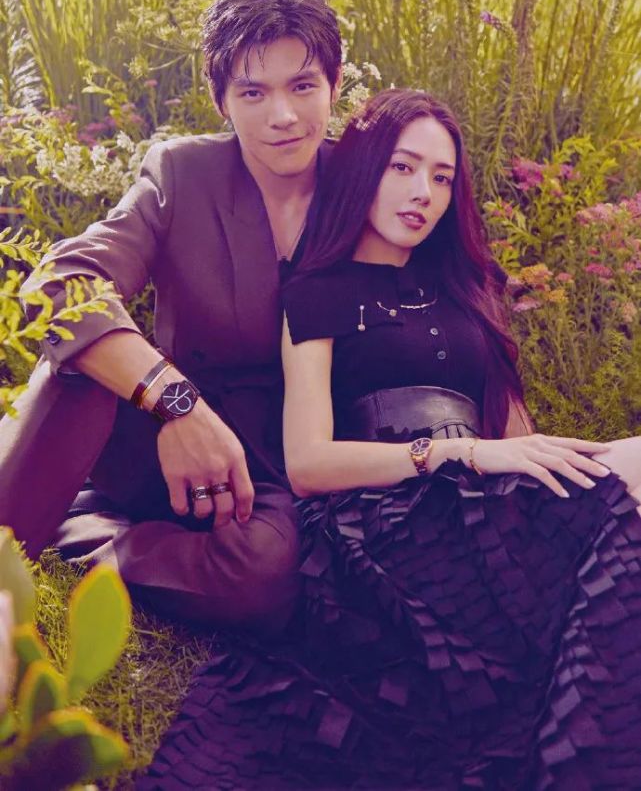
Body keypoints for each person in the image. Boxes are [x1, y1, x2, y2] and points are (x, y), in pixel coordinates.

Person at [141, 90, 641, 789]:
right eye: (403, 168)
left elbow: (517, 441)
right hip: (383, 525)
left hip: (488, 513)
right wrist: (457, 452)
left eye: (441, 177)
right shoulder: (316, 291)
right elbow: (308, 463)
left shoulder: (469, 290)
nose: (423, 193)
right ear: (364, 171)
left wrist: (520, 464)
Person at [0, 0, 343, 634]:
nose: (282, 115)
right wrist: (178, 404)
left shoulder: (366, 185)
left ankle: (94, 543)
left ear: (333, 85)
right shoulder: (184, 174)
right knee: (80, 352)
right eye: (253, 92)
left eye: (302, 86)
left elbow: (459, 302)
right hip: (156, 434)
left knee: (264, 577)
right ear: (222, 102)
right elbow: (63, 281)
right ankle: (4, 558)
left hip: (271, 470)